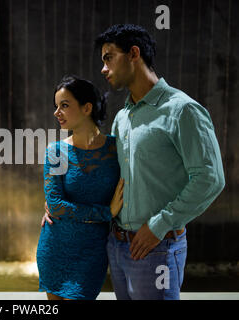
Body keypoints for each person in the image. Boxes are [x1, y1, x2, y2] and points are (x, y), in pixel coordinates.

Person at [44, 24, 225, 300]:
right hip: (116, 247)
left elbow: (210, 178)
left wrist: (160, 224)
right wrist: (57, 204)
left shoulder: (182, 110)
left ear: (133, 54)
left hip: (156, 247)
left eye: (108, 57)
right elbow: (107, 177)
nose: (103, 69)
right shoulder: (122, 118)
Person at [36, 75, 124, 300]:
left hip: (92, 252)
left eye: (64, 105)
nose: (57, 113)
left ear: (87, 107)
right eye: (56, 106)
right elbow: (55, 205)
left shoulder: (117, 149)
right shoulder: (55, 152)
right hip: (55, 247)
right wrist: (106, 212)